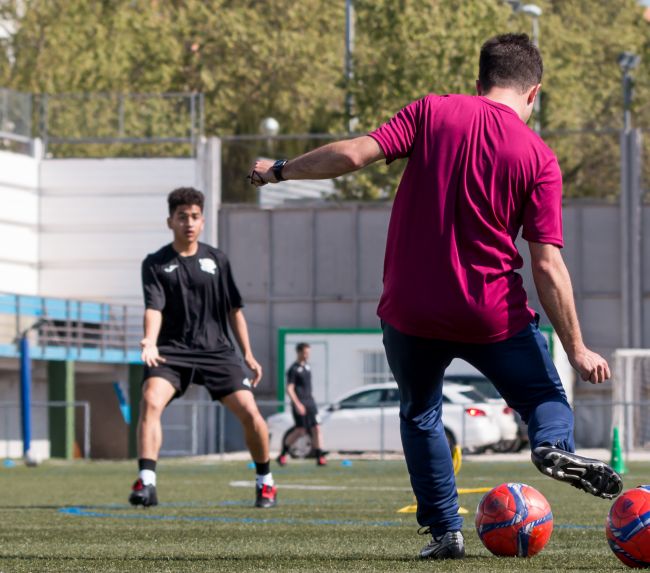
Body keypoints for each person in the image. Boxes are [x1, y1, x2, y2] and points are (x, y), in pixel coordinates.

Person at [249, 33, 622, 559]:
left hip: (410, 309)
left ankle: (446, 533)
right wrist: (579, 348)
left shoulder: (433, 112)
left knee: (421, 413)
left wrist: (280, 171)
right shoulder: (538, 156)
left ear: (479, 82)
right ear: (534, 93)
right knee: (542, 399)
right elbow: (546, 263)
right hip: (490, 312)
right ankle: (551, 448)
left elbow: (355, 155)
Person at [129, 187, 277, 509]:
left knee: (251, 413)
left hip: (217, 351)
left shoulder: (217, 260)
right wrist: (150, 341)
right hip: (171, 350)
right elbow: (153, 307)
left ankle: (265, 482)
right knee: (151, 400)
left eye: (195, 217)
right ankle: (147, 483)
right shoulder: (155, 263)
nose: (189, 223)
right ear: (170, 221)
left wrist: (248, 354)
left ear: (203, 221)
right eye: (182, 217)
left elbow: (234, 310)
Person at [277, 342, 327, 466]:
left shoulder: (308, 367)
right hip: (300, 403)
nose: (306, 356)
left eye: (308, 353)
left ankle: (319, 457)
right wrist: (297, 404)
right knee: (300, 431)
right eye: (304, 353)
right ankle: (282, 455)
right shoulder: (293, 369)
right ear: (298, 352)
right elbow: (289, 389)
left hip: (311, 403)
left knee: (317, 428)